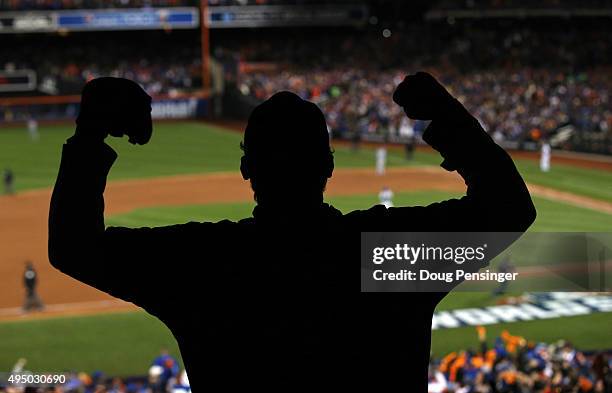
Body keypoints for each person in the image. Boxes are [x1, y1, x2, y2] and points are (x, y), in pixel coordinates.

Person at [49, 73, 536, 391]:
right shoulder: (383, 256)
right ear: (327, 165)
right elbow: (510, 207)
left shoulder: (205, 263)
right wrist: (450, 119)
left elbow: (73, 247)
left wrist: (91, 132)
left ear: (246, 168)